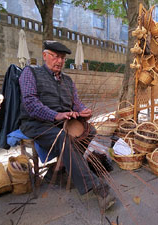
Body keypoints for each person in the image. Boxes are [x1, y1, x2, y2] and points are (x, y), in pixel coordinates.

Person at [19, 40, 115, 209]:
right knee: (63, 138)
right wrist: (56, 115)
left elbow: (76, 103)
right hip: (35, 123)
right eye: (55, 56)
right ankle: (95, 186)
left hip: (61, 122)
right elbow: (30, 103)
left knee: (89, 130)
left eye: (62, 58)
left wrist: (84, 111)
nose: (59, 61)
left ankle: (57, 169)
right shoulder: (30, 73)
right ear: (44, 56)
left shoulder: (68, 81)